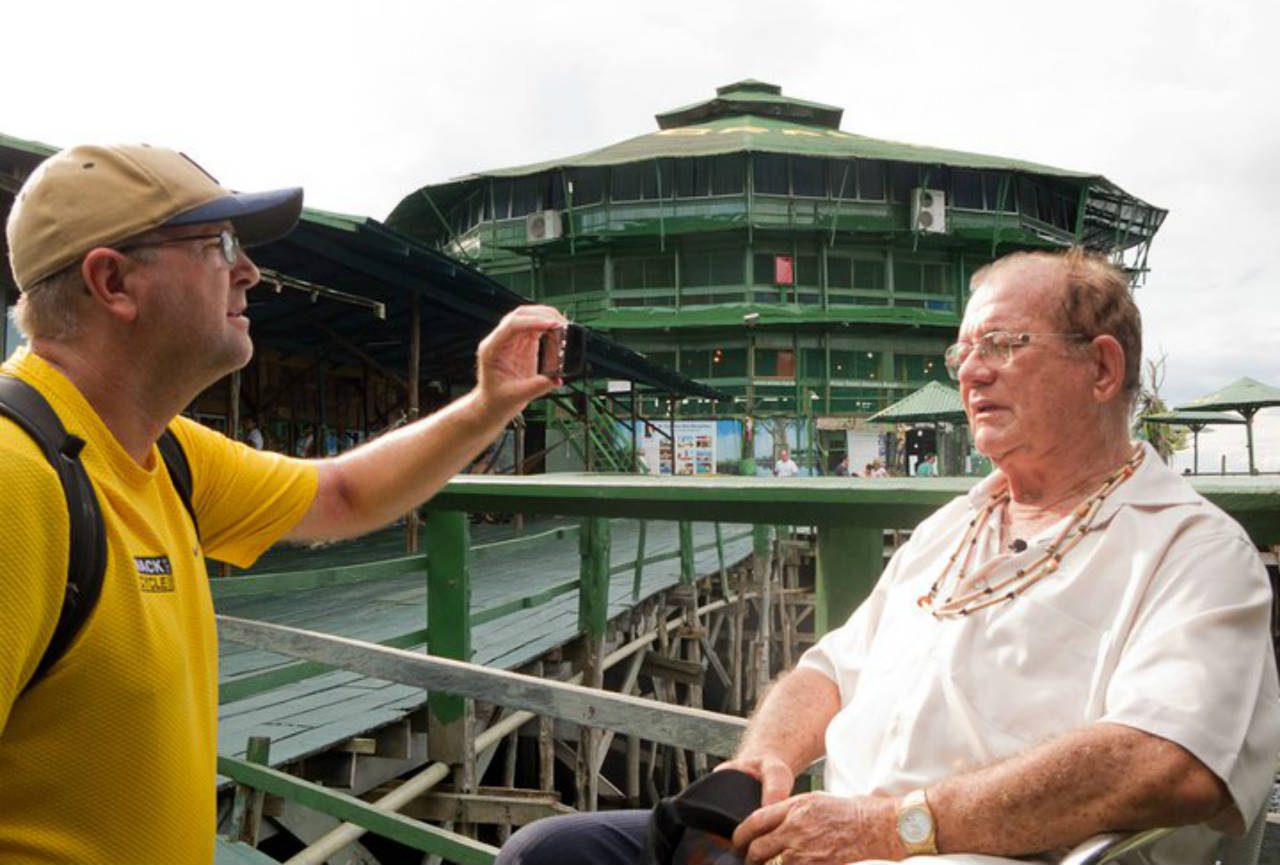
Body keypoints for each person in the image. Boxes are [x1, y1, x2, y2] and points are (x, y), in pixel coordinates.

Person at [497, 247, 1280, 865]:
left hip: (957, 854)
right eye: (963, 351)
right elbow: (827, 669)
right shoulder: (953, 526)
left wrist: (892, 827)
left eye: (1004, 344)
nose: (972, 371)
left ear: (1102, 368)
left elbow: (1167, 761)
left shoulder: (1190, 548)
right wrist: (761, 760)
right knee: (548, 850)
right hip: (827, 835)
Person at [0, 143, 566, 864]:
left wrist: (488, 404)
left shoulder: (164, 450)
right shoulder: (16, 479)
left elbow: (342, 494)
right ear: (113, 281)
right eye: (220, 244)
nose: (250, 271)